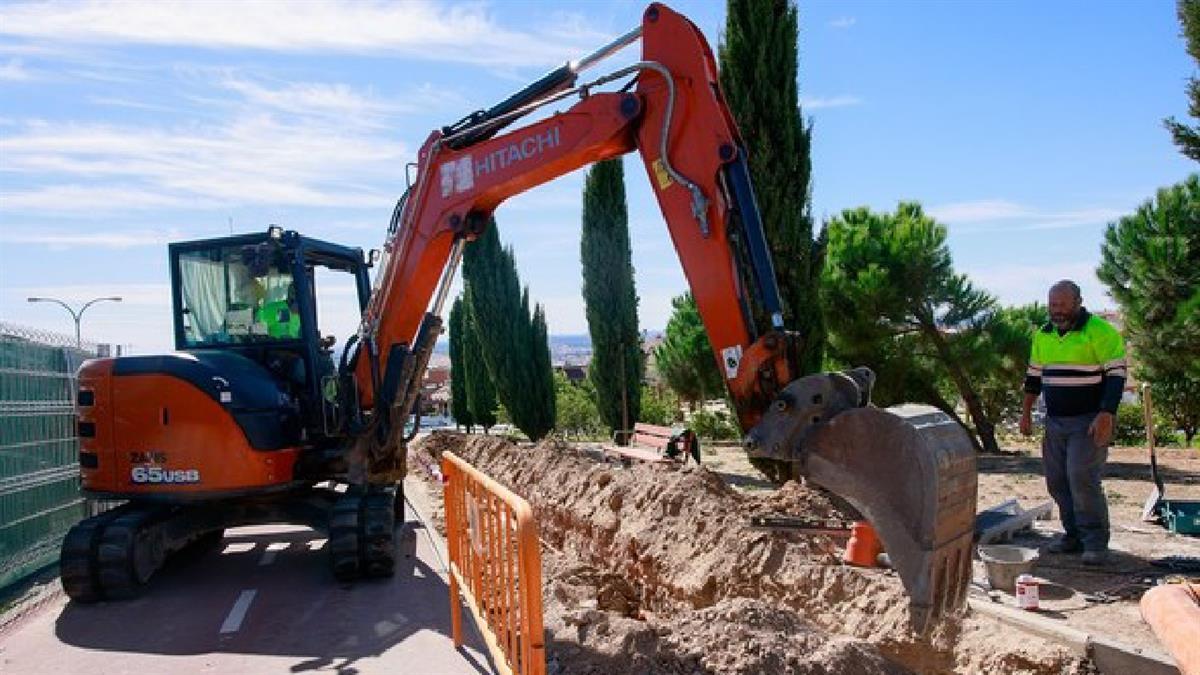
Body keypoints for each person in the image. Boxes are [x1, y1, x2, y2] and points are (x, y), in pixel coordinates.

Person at [1020, 280, 1127, 565]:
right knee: (1057, 481)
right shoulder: (1043, 335)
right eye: (1052, 305)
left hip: (1088, 420)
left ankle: (1095, 542)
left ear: (1078, 302)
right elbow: (1033, 378)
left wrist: (1107, 413)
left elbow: (1116, 375)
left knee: (1081, 477)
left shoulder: (1099, 331)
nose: (1056, 310)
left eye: (1062, 305)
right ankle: (1073, 535)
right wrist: (1026, 412)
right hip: (1055, 421)